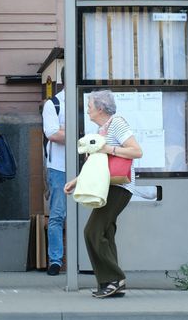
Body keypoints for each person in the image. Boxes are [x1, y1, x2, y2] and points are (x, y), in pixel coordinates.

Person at [63, 89, 143, 299]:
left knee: (92, 231)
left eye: (89, 107)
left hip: (120, 187)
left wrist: (109, 149)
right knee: (106, 232)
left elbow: (136, 151)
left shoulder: (117, 123)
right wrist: (76, 180)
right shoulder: (102, 130)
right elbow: (96, 164)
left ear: (100, 108)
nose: (87, 111)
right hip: (108, 186)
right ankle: (110, 283)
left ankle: (115, 278)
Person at [41, 87, 65, 276]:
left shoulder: (92, 101)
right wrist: (82, 134)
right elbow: (53, 134)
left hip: (87, 165)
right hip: (59, 167)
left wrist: (66, 131)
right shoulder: (54, 104)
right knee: (57, 215)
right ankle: (55, 260)